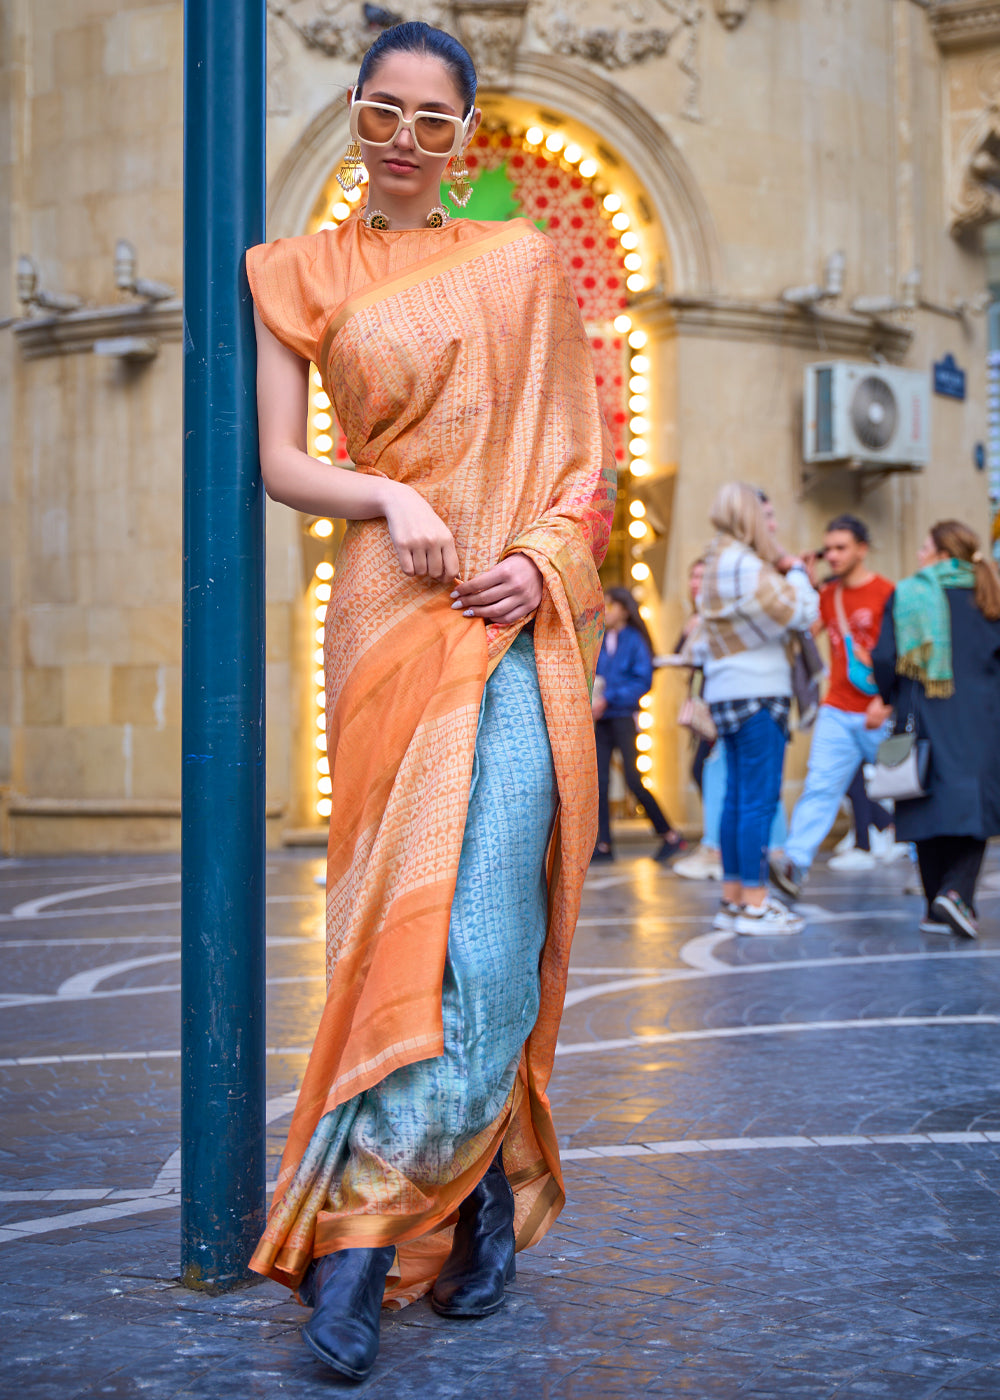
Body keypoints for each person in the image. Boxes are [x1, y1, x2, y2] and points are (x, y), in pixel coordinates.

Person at [245, 23, 616, 1381]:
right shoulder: (296, 273)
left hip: (514, 623)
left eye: (434, 120)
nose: (405, 140)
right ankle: (417, 1236)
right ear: (355, 115)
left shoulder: (519, 264)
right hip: (386, 616)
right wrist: (389, 491)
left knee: (491, 921)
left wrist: (535, 563)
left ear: (469, 135)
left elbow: (584, 467)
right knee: (395, 933)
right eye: (382, 112)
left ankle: (397, 1225)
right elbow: (286, 462)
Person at [698, 483, 818, 934]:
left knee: (735, 800)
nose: (773, 525)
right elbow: (802, 611)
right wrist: (798, 573)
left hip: (726, 692)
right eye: (766, 516)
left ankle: (733, 900)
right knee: (759, 801)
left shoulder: (716, 561)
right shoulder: (747, 565)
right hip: (759, 693)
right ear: (748, 517)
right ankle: (755, 904)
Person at [872, 520, 1000, 938]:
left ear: (943, 555)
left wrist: (891, 694)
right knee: (973, 804)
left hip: (921, 711)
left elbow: (885, 657)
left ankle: (938, 903)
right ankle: (956, 895)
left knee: (924, 800)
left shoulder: (908, 593)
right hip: (982, 715)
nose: (919, 556)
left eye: (925, 548)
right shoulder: (990, 593)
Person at [770, 515, 896, 899]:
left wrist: (887, 703)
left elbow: (905, 654)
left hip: (880, 712)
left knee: (909, 792)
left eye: (842, 548)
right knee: (820, 786)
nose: (835, 556)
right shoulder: (828, 594)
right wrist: (804, 584)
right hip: (838, 709)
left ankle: (935, 872)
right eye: (830, 549)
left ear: (862, 548)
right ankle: (795, 863)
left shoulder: (888, 592)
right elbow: (804, 633)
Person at [592, 588, 686, 863]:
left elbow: (642, 680)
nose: (606, 610)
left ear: (624, 609)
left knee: (634, 778)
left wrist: (608, 698)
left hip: (622, 717)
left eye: (610, 605)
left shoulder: (634, 641)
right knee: (600, 782)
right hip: (601, 720)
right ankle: (604, 845)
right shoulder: (599, 639)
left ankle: (670, 835)